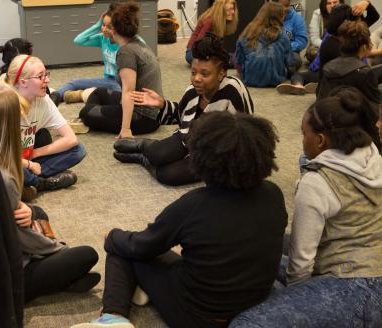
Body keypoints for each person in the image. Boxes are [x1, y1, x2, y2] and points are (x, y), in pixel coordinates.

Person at [71, 111, 287, 328]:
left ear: (201, 158)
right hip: (255, 306)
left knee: (122, 247)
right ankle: (141, 289)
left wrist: (113, 236)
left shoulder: (193, 205)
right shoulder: (274, 194)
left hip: (198, 316)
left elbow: (141, 247)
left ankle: (113, 318)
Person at [230, 93, 382, 328]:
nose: (302, 140)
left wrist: (295, 304)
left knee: (246, 322)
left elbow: (301, 266)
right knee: (260, 249)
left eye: (303, 134)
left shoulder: (317, 182)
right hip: (369, 263)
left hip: (356, 289)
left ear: (321, 140)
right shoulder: (372, 154)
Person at [0, 86, 100, 303]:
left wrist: (24, 209)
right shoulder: (1, 178)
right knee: (86, 255)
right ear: (7, 126)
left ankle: (61, 278)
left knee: (36, 211)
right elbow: (19, 237)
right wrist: (57, 249)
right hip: (3, 271)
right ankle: (53, 282)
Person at [114, 34, 253, 186]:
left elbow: (245, 134)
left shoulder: (234, 91)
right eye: (193, 72)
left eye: (204, 74)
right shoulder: (192, 91)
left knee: (168, 175)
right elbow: (181, 116)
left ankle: (142, 158)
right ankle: (143, 146)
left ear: (221, 73)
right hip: (188, 138)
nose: (197, 78)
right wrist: (162, 105)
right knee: (157, 155)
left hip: (215, 154)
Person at [0, 54, 85, 193]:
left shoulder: (43, 100)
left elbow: (71, 139)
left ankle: (25, 183)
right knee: (2, 170)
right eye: (40, 76)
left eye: (46, 74)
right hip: (7, 161)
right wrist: (28, 164)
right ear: (23, 82)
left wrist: (34, 154)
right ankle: (40, 183)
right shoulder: (5, 105)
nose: (47, 80)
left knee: (78, 150)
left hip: (26, 158)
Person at [79, 2, 163, 138]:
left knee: (85, 113)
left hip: (144, 118)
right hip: (149, 109)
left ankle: (101, 114)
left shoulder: (126, 52)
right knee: (98, 93)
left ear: (113, 29)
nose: (104, 28)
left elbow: (128, 92)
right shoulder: (136, 41)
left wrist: (125, 129)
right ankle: (101, 111)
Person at [276, 0, 379, 95]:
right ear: (346, 24)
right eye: (329, 3)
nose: (333, 5)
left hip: (333, 85)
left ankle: (308, 84)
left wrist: (366, 2)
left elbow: (374, 17)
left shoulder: (347, 36)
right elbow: (356, 74)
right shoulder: (339, 42)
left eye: (335, 2)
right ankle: (300, 84)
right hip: (338, 92)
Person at [51, 3, 122, 105]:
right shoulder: (102, 38)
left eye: (109, 27)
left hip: (122, 84)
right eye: (103, 25)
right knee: (74, 83)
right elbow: (78, 40)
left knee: (118, 99)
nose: (104, 29)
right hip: (108, 80)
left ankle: (81, 95)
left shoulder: (126, 42)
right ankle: (55, 97)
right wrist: (98, 25)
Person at [317, 20, 380, 104]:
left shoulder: (328, 66)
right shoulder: (364, 72)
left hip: (325, 112)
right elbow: (375, 103)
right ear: (364, 46)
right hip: (349, 113)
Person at [235, 2, 292, 87]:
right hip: (276, 80)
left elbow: (239, 59)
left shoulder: (248, 32)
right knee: (296, 59)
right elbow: (289, 61)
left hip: (249, 79)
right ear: (279, 17)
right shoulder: (282, 34)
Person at [185, 0, 238, 64]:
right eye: (228, 10)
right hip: (194, 53)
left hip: (209, 51)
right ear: (220, 11)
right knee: (224, 62)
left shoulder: (221, 21)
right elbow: (199, 45)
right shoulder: (209, 21)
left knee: (234, 57)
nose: (232, 12)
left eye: (232, 9)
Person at [270, 0, 308, 72]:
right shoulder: (269, 16)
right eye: (281, 6)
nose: (284, 8)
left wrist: (283, 48)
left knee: (295, 60)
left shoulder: (297, 19)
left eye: (287, 5)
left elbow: (302, 42)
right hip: (269, 49)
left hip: (290, 51)